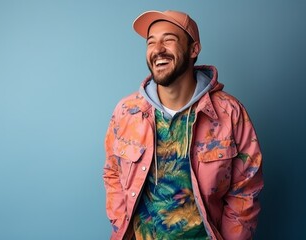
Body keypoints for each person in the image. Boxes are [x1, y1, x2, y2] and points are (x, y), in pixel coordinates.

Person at [103, 10, 263, 240]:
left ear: (194, 49)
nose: (158, 49)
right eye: (151, 42)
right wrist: (120, 224)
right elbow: (112, 173)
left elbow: (246, 187)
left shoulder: (229, 113)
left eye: (168, 40)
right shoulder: (127, 112)